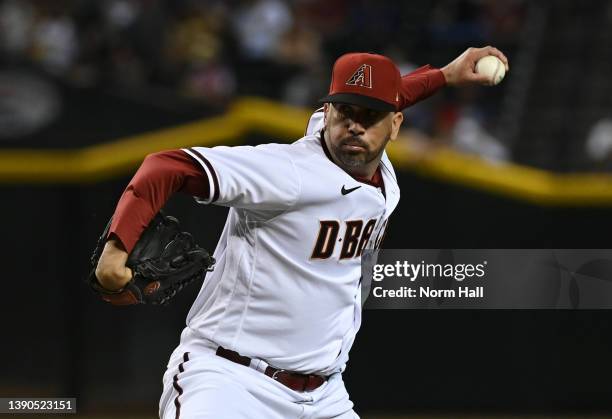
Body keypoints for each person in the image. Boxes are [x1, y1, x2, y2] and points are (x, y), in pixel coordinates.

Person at [95, 46, 509, 419]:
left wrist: (446, 75)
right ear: (326, 112)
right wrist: (116, 250)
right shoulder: (287, 171)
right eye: (345, 111)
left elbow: (392, 96)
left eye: (370, 117)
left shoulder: (379, 169)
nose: (355, 127)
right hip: (232, 383)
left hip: (326, 397)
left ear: (396, 123)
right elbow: (164, 166)